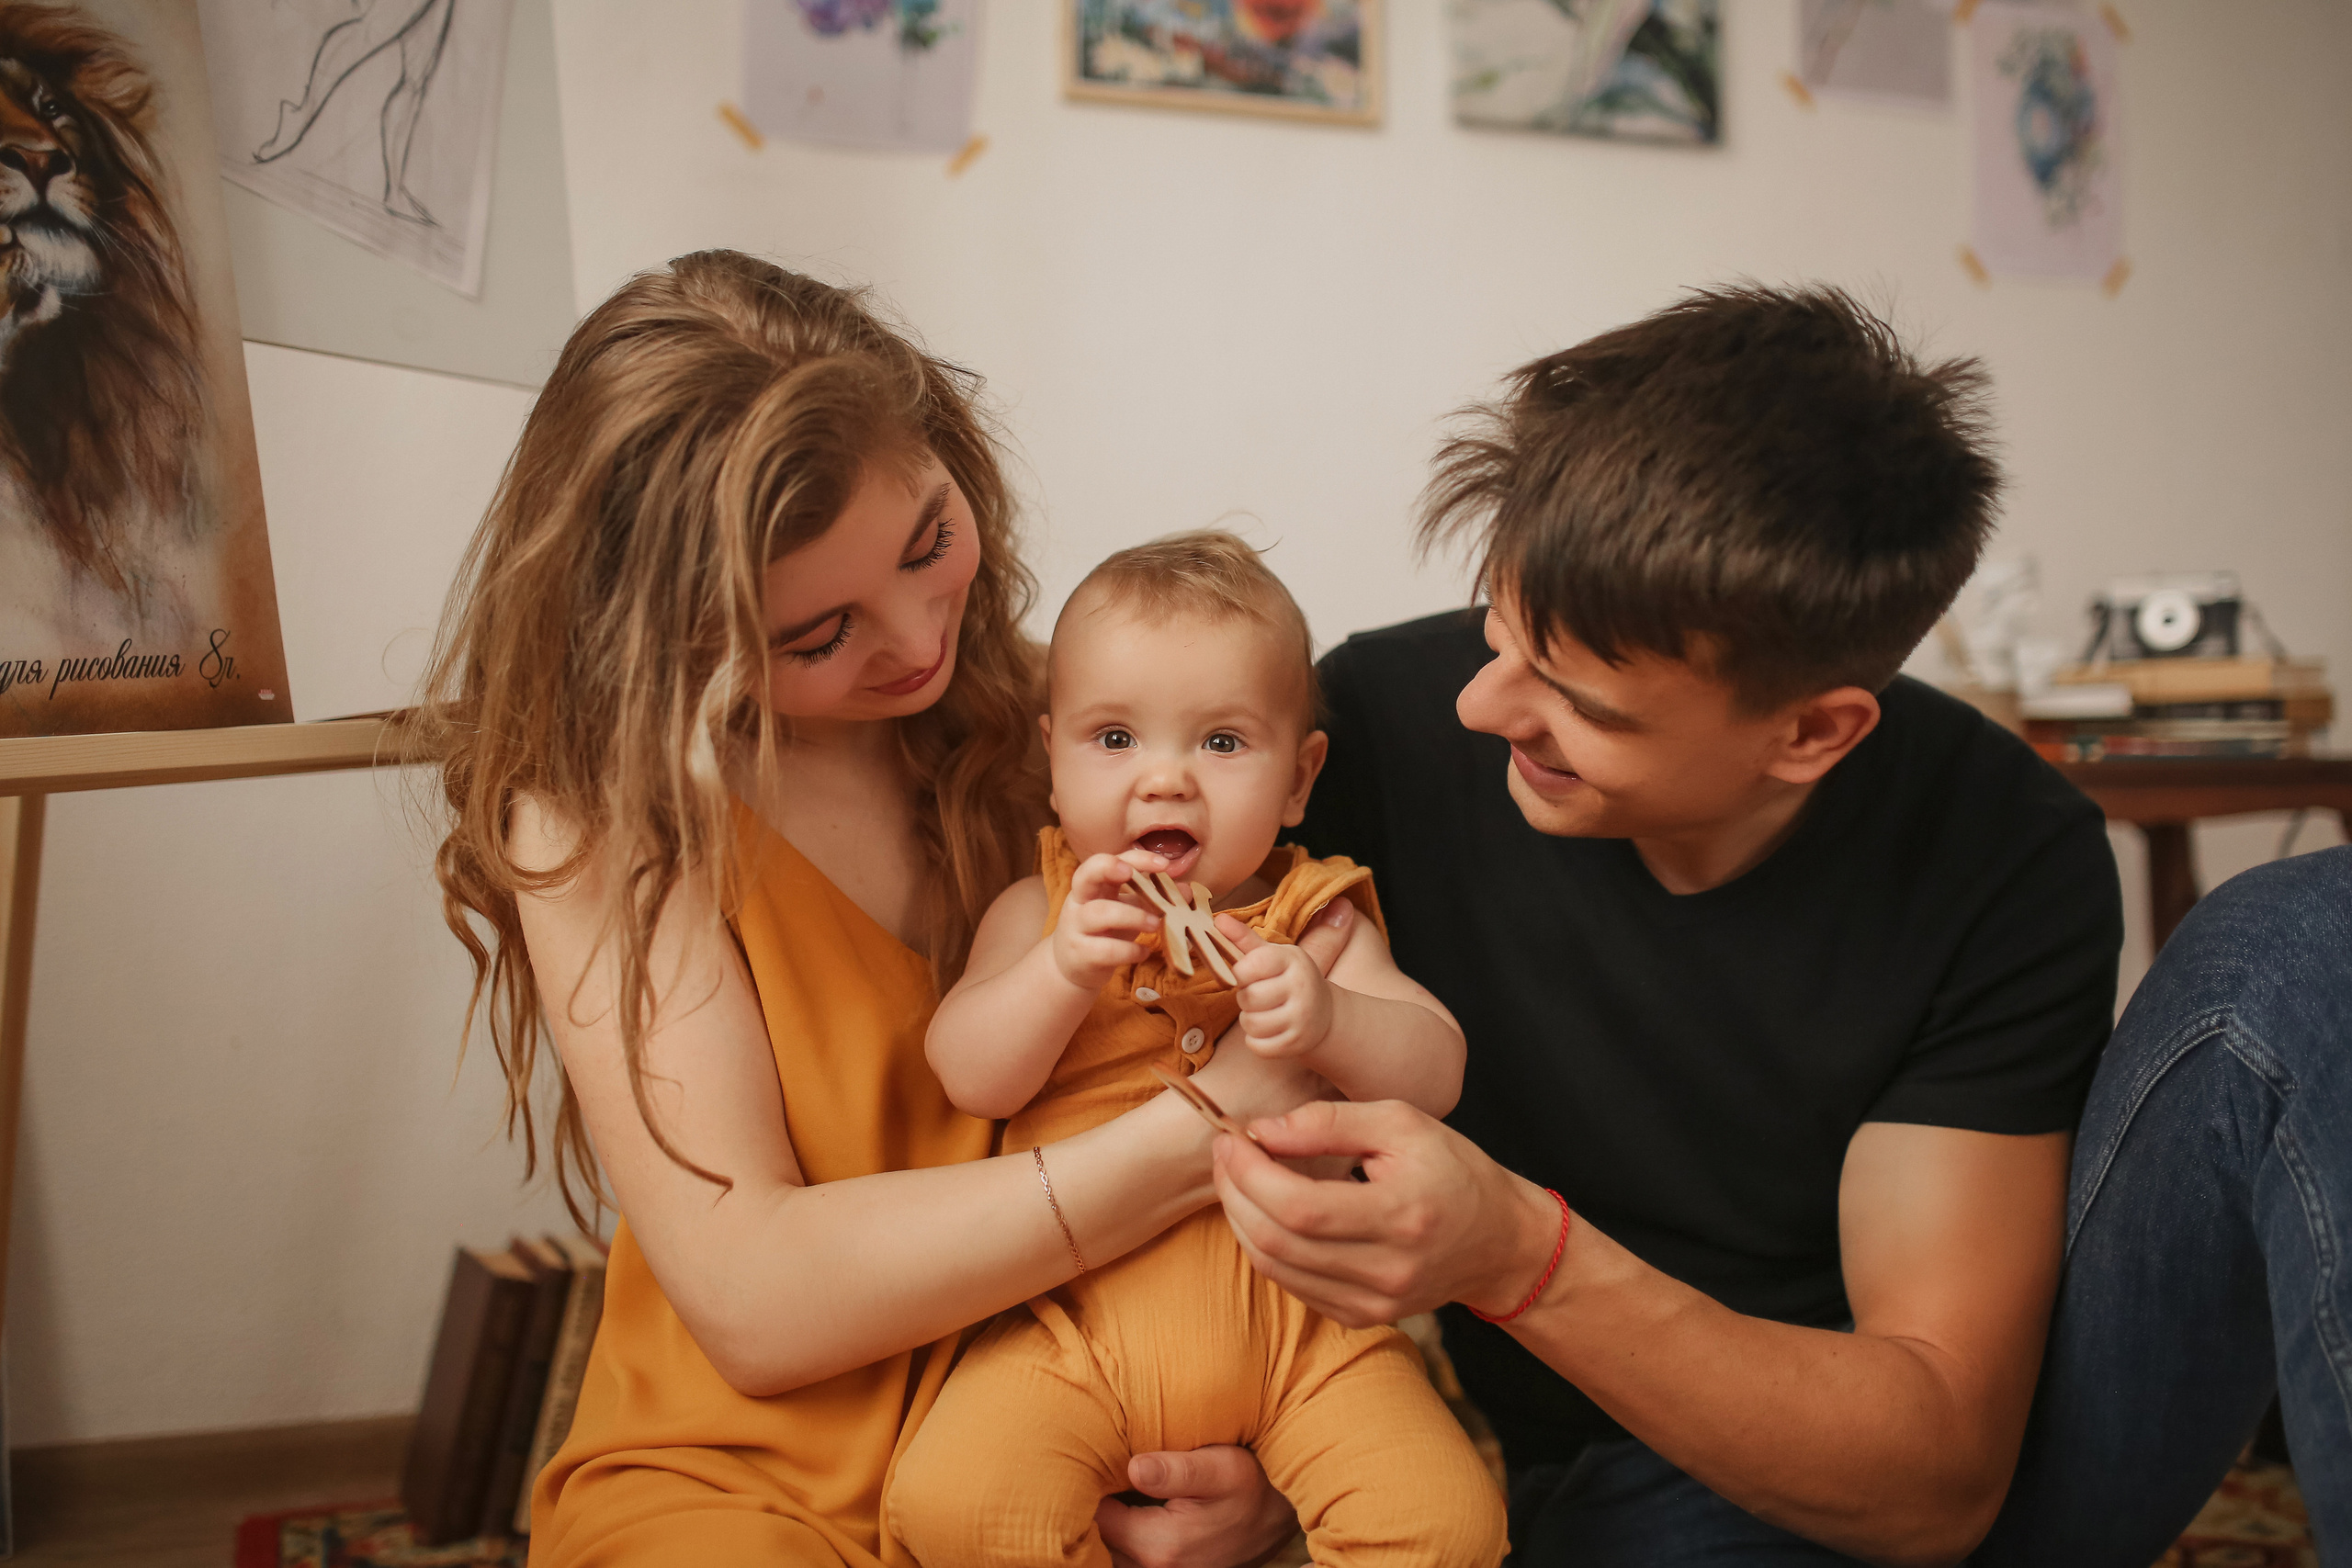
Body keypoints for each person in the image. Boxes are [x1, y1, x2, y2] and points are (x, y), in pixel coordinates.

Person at [1169, 283, 2134, 1564]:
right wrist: (1267, 1461)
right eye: (1496, 631)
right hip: (1578, 1482)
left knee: (2302, 938)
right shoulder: (1381, 733)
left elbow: (1935, 1471)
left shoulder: (2007, 851)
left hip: (1855, 1458)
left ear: (1812, 732)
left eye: (1576, 700)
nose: (1481, 707)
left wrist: (1515, 1250)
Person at [415, 252, 1333, 1568]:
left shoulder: (1080, 736)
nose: (914, 639)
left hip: (1088, 1435)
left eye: (929, 544)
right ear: (676, 634)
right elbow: (757, 1302)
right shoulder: (600, 813)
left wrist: (1257, 1473)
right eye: (817, 634)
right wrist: (1205, 1130)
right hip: (741, 1484)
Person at [889, 533, 1508, 1566]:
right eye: (1114, 739)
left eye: (1222, 744)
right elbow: (968, 1073)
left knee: (1449, 1523)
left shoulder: (1318, 920)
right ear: (1052, 760)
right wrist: (1059, 975)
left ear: (1300, 777)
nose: (1166, 780)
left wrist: (1330, 1018)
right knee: (953, 1503)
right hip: (1065, 1329)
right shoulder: (1038, 912)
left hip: (1307, 1337)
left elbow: (1436, 1068)